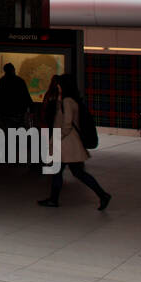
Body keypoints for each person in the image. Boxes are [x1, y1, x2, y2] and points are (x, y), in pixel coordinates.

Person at [38, 74, 111, 210]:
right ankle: (102, 195)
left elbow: (67, 124)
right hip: (69, 143)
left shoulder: (67, 101)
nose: (57, 86)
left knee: (61, 171)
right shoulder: (68, 100)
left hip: (66, 143)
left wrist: (58, 137)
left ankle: (54, 200)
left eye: (59, 84)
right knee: (76, 172)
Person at [0, 63, 32, 161]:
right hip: (19, 113)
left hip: (6, 114)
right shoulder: (20, 81)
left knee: (9, 136)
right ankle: (19, 157)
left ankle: (9, 157)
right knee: (20, 136)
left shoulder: (2, 81)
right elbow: (26, 97)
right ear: (13, 70)